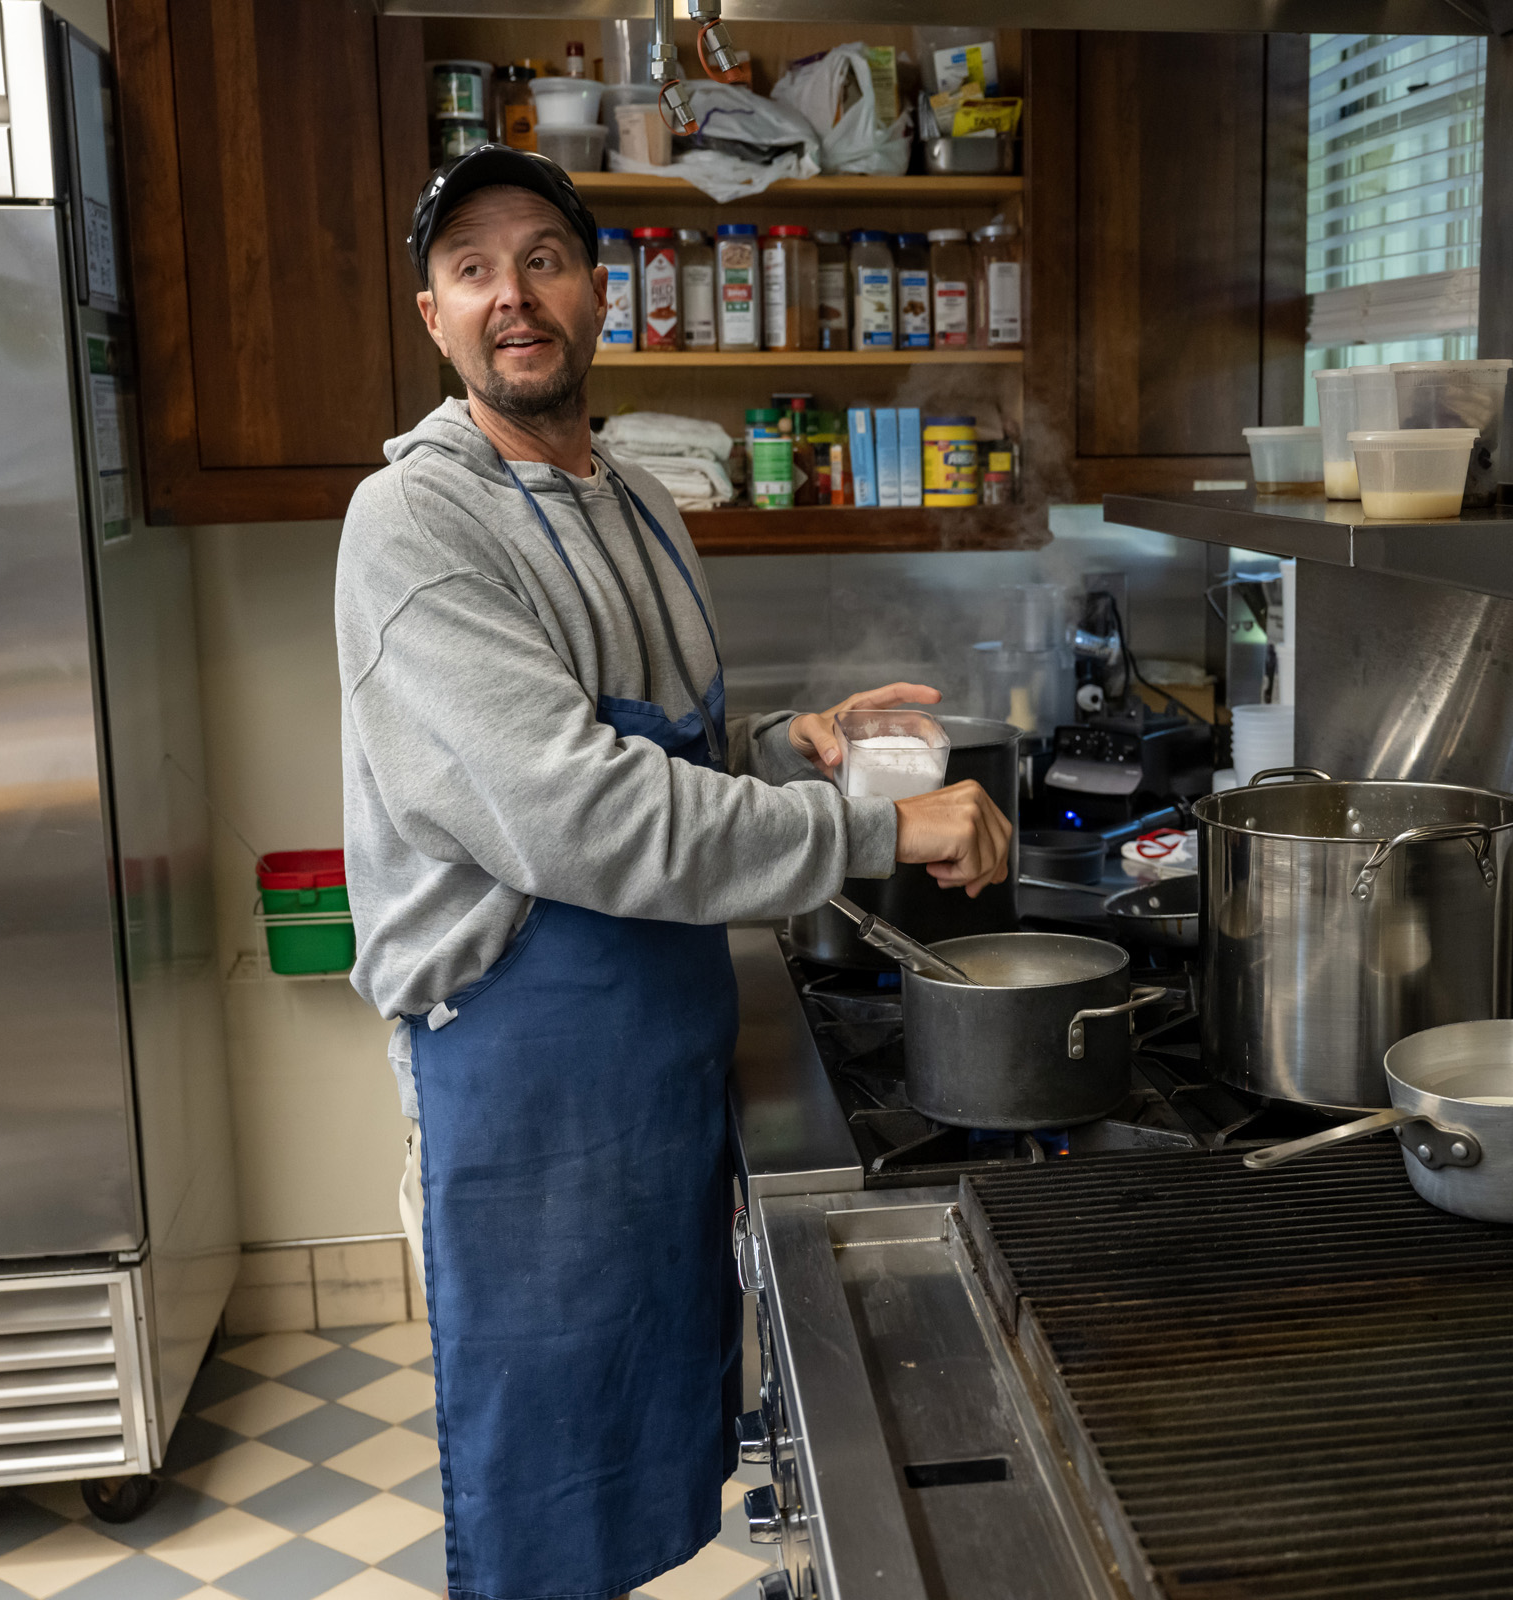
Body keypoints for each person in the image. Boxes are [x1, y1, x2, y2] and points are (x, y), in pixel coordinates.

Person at [334, 144, 1011, 1600]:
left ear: (599, 292)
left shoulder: (639, 495)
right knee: (545, 1498)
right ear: (430, 315)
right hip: (525, 1065)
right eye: (471, 269)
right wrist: (880, 832)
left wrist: (789, 748)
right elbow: (582, 814)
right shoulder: (413, 522)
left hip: (654, 1043)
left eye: (543, 259)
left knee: (645, 1455)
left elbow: (671, 753)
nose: (511, 295)